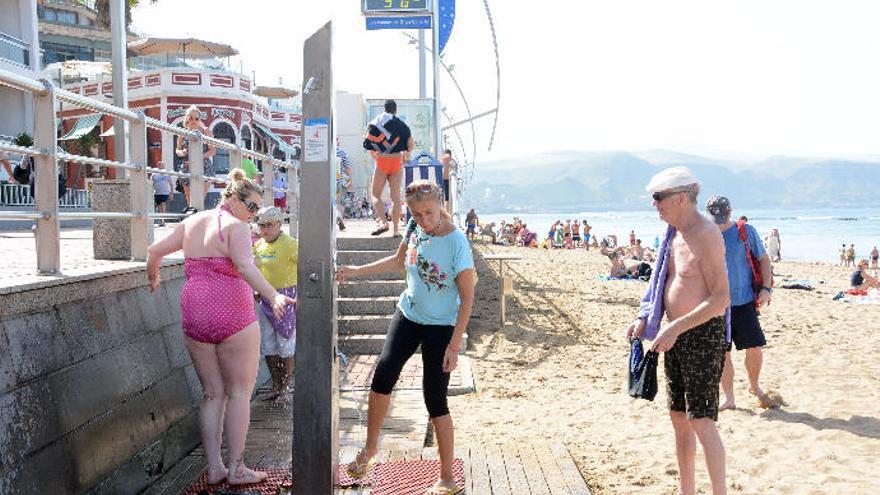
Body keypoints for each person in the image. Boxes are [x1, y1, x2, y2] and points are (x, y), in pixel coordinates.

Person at [145, 169, 294, 486]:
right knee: (239, 394)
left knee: (213, 394)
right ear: (233, 198)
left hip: (195, 313)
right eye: (251, 207)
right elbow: (243, 265)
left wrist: (153, 278)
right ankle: (237, 468)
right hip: (232, 313)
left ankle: (215, 467)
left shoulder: (192, 223)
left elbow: (154, 251)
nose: (253, 216)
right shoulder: (236, 226)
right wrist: (273, 295)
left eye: (257, 210)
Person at [337, 180, 474, 495]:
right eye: (417, 213)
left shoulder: (456, 242)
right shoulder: (414, 226)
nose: (425, 219)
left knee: (434, 398)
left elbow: (467, 298)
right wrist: (355, 271)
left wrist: (455, 345)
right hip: (409, 314)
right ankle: (369, 450)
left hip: (441, 326)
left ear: (440, 203)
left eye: (429, 212)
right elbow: (399, 262)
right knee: (383, 374)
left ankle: (446, 478)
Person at [625, 167, 730, 495]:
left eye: (659, 198)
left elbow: (720, 298)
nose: (654, 204)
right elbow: (664, 284)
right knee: (678, 418)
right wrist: (646, 318)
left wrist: (676, 326)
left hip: (700, 334)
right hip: (674, 336)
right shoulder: (674, 233)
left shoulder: (705, 234)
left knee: (702, 420)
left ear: (681, 197)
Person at [706, 196, 776, 411]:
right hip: (716, 306)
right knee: (723, 353)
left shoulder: (745, 231)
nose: (719, 222)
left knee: (754, 348)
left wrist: (766, 288)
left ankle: (754, 386)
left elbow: (764, 259)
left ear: (730, 212)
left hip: (744, 302)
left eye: (722, 217)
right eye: (715, 217)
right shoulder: (704, 235)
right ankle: (729, 398)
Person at [252, 206, 298, 403]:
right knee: (268, 346)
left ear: (280, 224)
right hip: (265, 300)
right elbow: (255, 271)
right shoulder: (259, 246)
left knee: (286, 345)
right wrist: (256, 289)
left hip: (287, 299)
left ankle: (287, 389)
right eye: (261, 225)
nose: (264, 229)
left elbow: (305, 267)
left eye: (269, 225)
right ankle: (276, 386)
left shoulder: (291, 244)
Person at [363, 99, 413, 236]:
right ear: (395, 110)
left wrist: (375, 155)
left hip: (382, 160)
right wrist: (405, 157)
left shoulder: (375, 122)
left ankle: (384, 222)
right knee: (396, 198)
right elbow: (410, 144)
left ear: (384, 109)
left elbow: (368, 142)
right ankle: (395, 229)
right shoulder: (402, 125)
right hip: (397, 160)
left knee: (375, 194)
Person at [175, 105, 216, 211]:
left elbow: (212, 151)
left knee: (200, 198)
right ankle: (192, 221)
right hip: (187, 166)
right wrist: (182, 152)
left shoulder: (206, 132)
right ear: (187, 119)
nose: (193, 120)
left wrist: (198, 157)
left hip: (204, 167)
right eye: (191, 118)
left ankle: (199, 219)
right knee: (189, 199)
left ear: (200, 120)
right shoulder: (182, 133)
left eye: (196, 118)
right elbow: (177, 150)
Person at [151, 163, 175, 227]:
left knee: (163, 204)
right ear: (157, 166)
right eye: (159, 165)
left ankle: (163, 220)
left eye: (161, 165)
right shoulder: (154, 174)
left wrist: (171, 193)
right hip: (157, 193)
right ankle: (161, 220)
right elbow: (151, 183)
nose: (160, 166)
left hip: (165, 192)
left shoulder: (166, 173)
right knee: (159, 206)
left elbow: (171, 184)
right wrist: (151, 192)